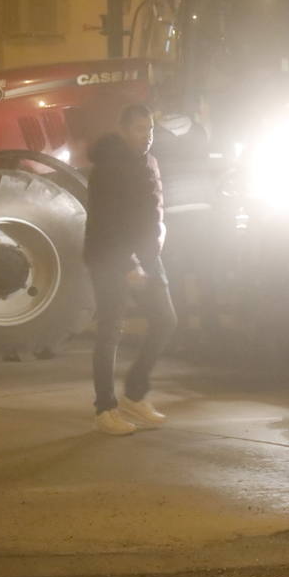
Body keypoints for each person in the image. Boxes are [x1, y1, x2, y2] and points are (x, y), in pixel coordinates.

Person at [83, 103, 178, 436]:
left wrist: (161, 230)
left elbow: (153, 205)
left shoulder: (148, 161)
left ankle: (134, 395)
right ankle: (104, 409)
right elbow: (107, 222)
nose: (147, 136)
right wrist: (129, 264)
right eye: (139, 129)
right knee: (111, 331)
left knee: (165, 320)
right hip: (112, 256)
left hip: (147, 254)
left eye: (150, 129)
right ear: (123, 130)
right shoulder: (109, 166)